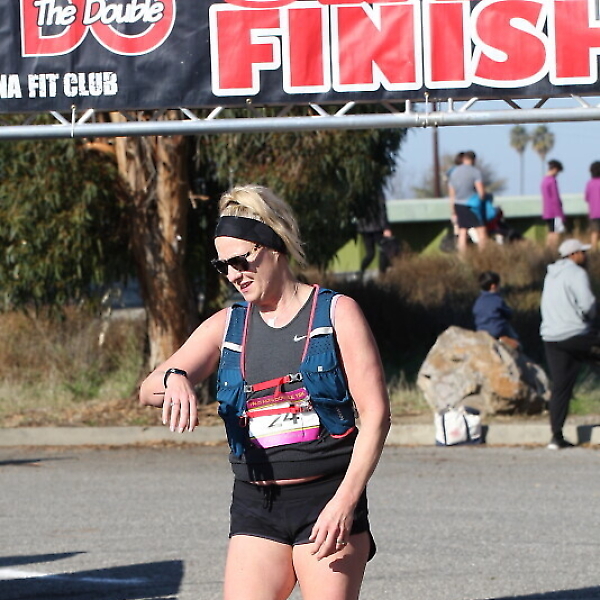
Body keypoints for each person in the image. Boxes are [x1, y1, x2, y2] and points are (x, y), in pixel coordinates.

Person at [139, 184, 391, 600]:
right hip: (257, 506)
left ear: (274, 245)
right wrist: (175, 377)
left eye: (241, 260)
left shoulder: (335, 313)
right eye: (223, 266)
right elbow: (149, 388)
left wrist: (345, 502)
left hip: (327, 499)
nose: (233, 274)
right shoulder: (228, 324)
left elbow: (376, 415)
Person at [540, 238, 598, 450]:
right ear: (574, 255)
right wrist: (591, 318)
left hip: (551, 337)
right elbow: (588, 303)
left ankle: (556, 436)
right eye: (583, 252)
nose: (586, 256)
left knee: (561, 387)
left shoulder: (550, 275)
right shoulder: (577, 273)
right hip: (575, 333)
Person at [448, 150, 487, 254]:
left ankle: (462, 256)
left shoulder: (454, 173)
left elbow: (451, 193)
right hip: (471, 204)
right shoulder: (475, 172)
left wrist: (453, 210)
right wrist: (482, 200)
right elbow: (481, 192)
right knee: (481, 230)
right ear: (473, 160)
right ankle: (483, 255)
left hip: (458, 204)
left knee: (462, 231)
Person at [473, 271, 520, 350]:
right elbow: (508, 314)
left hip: (481, 331)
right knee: (512, 334)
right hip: (497, 330)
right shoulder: (497, 300)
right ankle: (511, 342)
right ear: (493, 286)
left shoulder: (478, 301)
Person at [356, 192, 394, 275]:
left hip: (364, 228)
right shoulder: (377, 194)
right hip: (377, 227)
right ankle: (382, 274)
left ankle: (361, 272)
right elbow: (382, 210)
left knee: (370, 254)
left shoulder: (361, 193)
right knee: (383, 250)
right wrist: (386, 227)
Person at [541, 159, 565, 248]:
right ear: (555, 169)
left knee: (551, 232)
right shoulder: (552, 181)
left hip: (547, 211)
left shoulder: (544, 180)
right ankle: (554, 249)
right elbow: (555, 198)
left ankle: (548, 249)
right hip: (554, 211)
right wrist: (560, 214)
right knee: (556, 233)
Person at [584, 160, 600, 250]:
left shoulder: (589, 183)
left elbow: (586, 198)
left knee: (594, 233)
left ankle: (594, 250)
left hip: (593, 213)